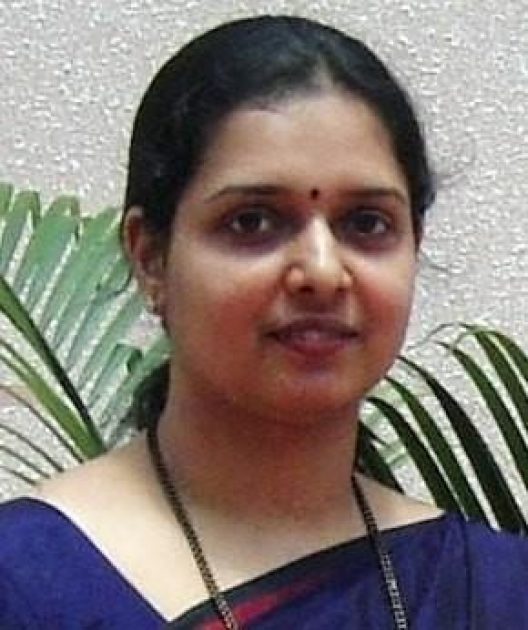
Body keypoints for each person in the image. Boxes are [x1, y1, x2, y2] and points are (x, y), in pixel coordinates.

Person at [0, 14, 527, 629]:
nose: (323, 271)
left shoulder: (493, 591)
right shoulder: (27, 582)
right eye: (252, 221)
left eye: (366, 223)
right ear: (150, 257)